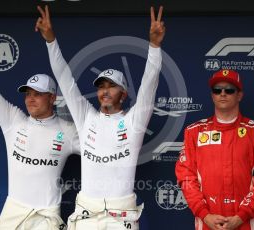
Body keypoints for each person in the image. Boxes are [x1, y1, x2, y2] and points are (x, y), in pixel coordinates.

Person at [34, 5, 165, 230]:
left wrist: (154, 46)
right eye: (101, 86)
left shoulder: (134, 121)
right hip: (87, 214)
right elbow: (65, 79)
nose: (105, 91)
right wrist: (50, 41)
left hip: (120, 216)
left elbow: (149, 83)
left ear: (123, 94)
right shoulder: (87, 117)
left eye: (111, 87)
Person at [0, 21, 79, 230]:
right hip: (13, 213)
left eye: (38, 94)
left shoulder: (68, 130)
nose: (30, 99)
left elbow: (99, 156)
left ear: (52, 98)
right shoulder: (13, 119)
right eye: (28, 94)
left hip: (46, 217)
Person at [175, 69, 254, 230]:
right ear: (212, 95)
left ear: (239, 95)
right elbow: (186, 177)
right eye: (217, 90)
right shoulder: (194, 132)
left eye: (229, 90)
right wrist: (204, 214)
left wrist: (241, 216)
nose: (222, 94)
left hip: (245, 223)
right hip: (207, 223)